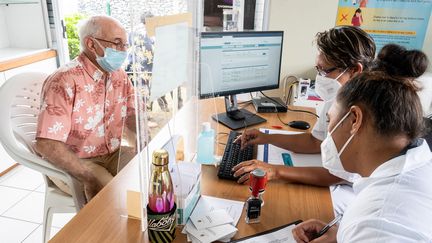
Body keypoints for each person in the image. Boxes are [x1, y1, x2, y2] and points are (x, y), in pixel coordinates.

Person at [292, 57, 430, 242]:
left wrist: (356, 233)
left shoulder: (374, 224)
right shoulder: (419, 162)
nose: (329, 131)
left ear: (355, 119)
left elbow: (378, 228)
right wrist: (340, 234)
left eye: (329, 120)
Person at [233, 26, 376, 186]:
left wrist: (275, 171)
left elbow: (337, 175)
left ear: (355, 70)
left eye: (325, 71)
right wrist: (267, 138)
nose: (320, 77)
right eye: (318, 69)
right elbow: (316, 141)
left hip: (349, 191)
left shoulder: (365, 112)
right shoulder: (337, 95)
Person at [35, 15, 135, 201]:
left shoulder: (119, 75)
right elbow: (46, 144)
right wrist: (88, 178)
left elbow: (132, 114)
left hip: (112, 153)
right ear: (91, 44)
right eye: (117, 43)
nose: (123, 51)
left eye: (125, 45)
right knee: (114, 197)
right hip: (73, 161)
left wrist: (146, 140)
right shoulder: (64, 80)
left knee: (150, 174)